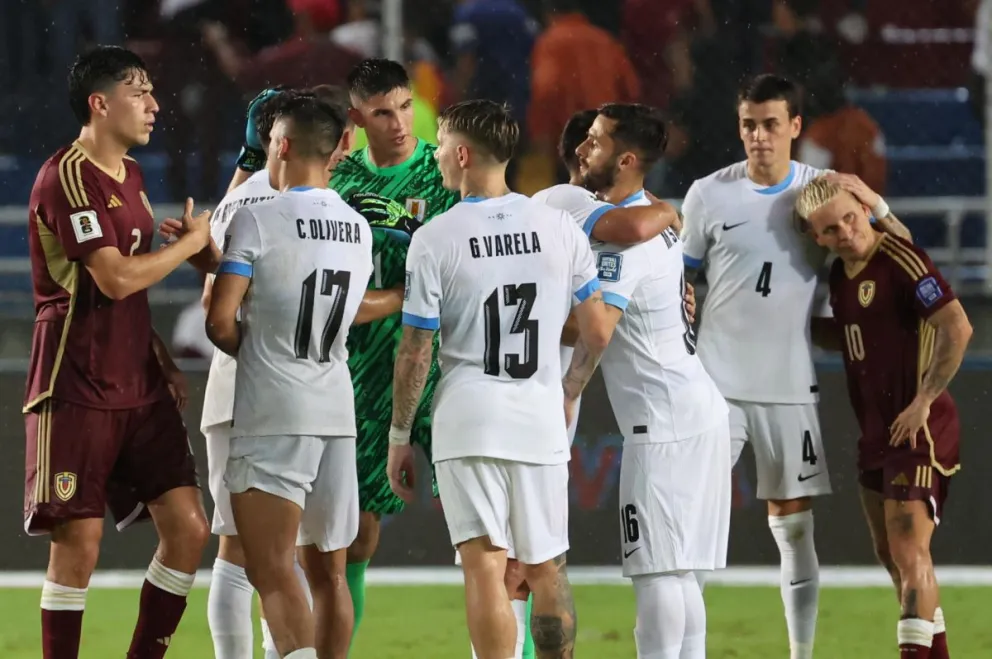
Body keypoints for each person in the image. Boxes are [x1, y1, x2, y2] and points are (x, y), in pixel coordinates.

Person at [679, 74, 911, 659]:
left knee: (794, 528)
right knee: (694, 524)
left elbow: (905, 257)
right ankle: (685, 650)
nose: (758, 136)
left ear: (795, 127)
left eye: (770, 125)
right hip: (716, 385)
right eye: (748, 125)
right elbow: (677, 277)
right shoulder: (708, 193)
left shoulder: (822, 194)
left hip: (788, 384)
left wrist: (876, 204)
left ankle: (800, 655)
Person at [387, 99, 614, 659]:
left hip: (469, 418)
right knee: (546, 567)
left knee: (484, 568)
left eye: (440, 145)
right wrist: (566, 391)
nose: (436, 155)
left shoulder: (435, 237)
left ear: (463, 154)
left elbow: (416, 349)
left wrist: (398, 435)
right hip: (537, 418)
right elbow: (598, 332)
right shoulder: (559, 227)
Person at [23, 45, 211, 659]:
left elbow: (125, 292)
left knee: (189, 529)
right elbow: (115, 279)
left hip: (138, 382)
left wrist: (155, 352)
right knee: (78, 548)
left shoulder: (129, 174)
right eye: (140, 93)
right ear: (100, 104)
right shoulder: (67, 176)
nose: (155, 105)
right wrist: (193, 249)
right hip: (76, 383)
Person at [205, 96, 373, 659]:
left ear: (281, 145)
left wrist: (251, 350)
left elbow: (218, 319)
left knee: (269, 569)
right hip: (336, 414)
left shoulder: (256, 216)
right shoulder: (357, 227)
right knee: (328, 574)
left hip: (273, 412)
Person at [568, 103, 731, 658]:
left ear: (627, 158)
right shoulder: (651, 224)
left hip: (662, 427)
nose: (582, 148)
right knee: (679, 571)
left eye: (595, 140)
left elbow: (596, 331)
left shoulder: (625, 240)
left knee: (657, 571)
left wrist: (562, 379)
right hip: (695, 411)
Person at [797, 174, 970, 659]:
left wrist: (924, 400)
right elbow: (849, 333)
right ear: (817, 237)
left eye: (850, 218)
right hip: (875, 431)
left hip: (921, 429)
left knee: (909, 549)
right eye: (830, 230)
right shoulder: (839, 275)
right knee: (893, 557)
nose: (846, 234)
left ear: (862, 207)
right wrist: (784, 327)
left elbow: (958, 327)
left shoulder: (898, 255)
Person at [329, 57, 461, 647]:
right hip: (361, 374)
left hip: (448, 368)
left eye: (406, 106)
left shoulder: (443, 173)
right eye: (383, 112)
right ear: (357, 118)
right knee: (357, 534)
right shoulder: (337, 182)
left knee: (495, 533)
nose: (401, 122)